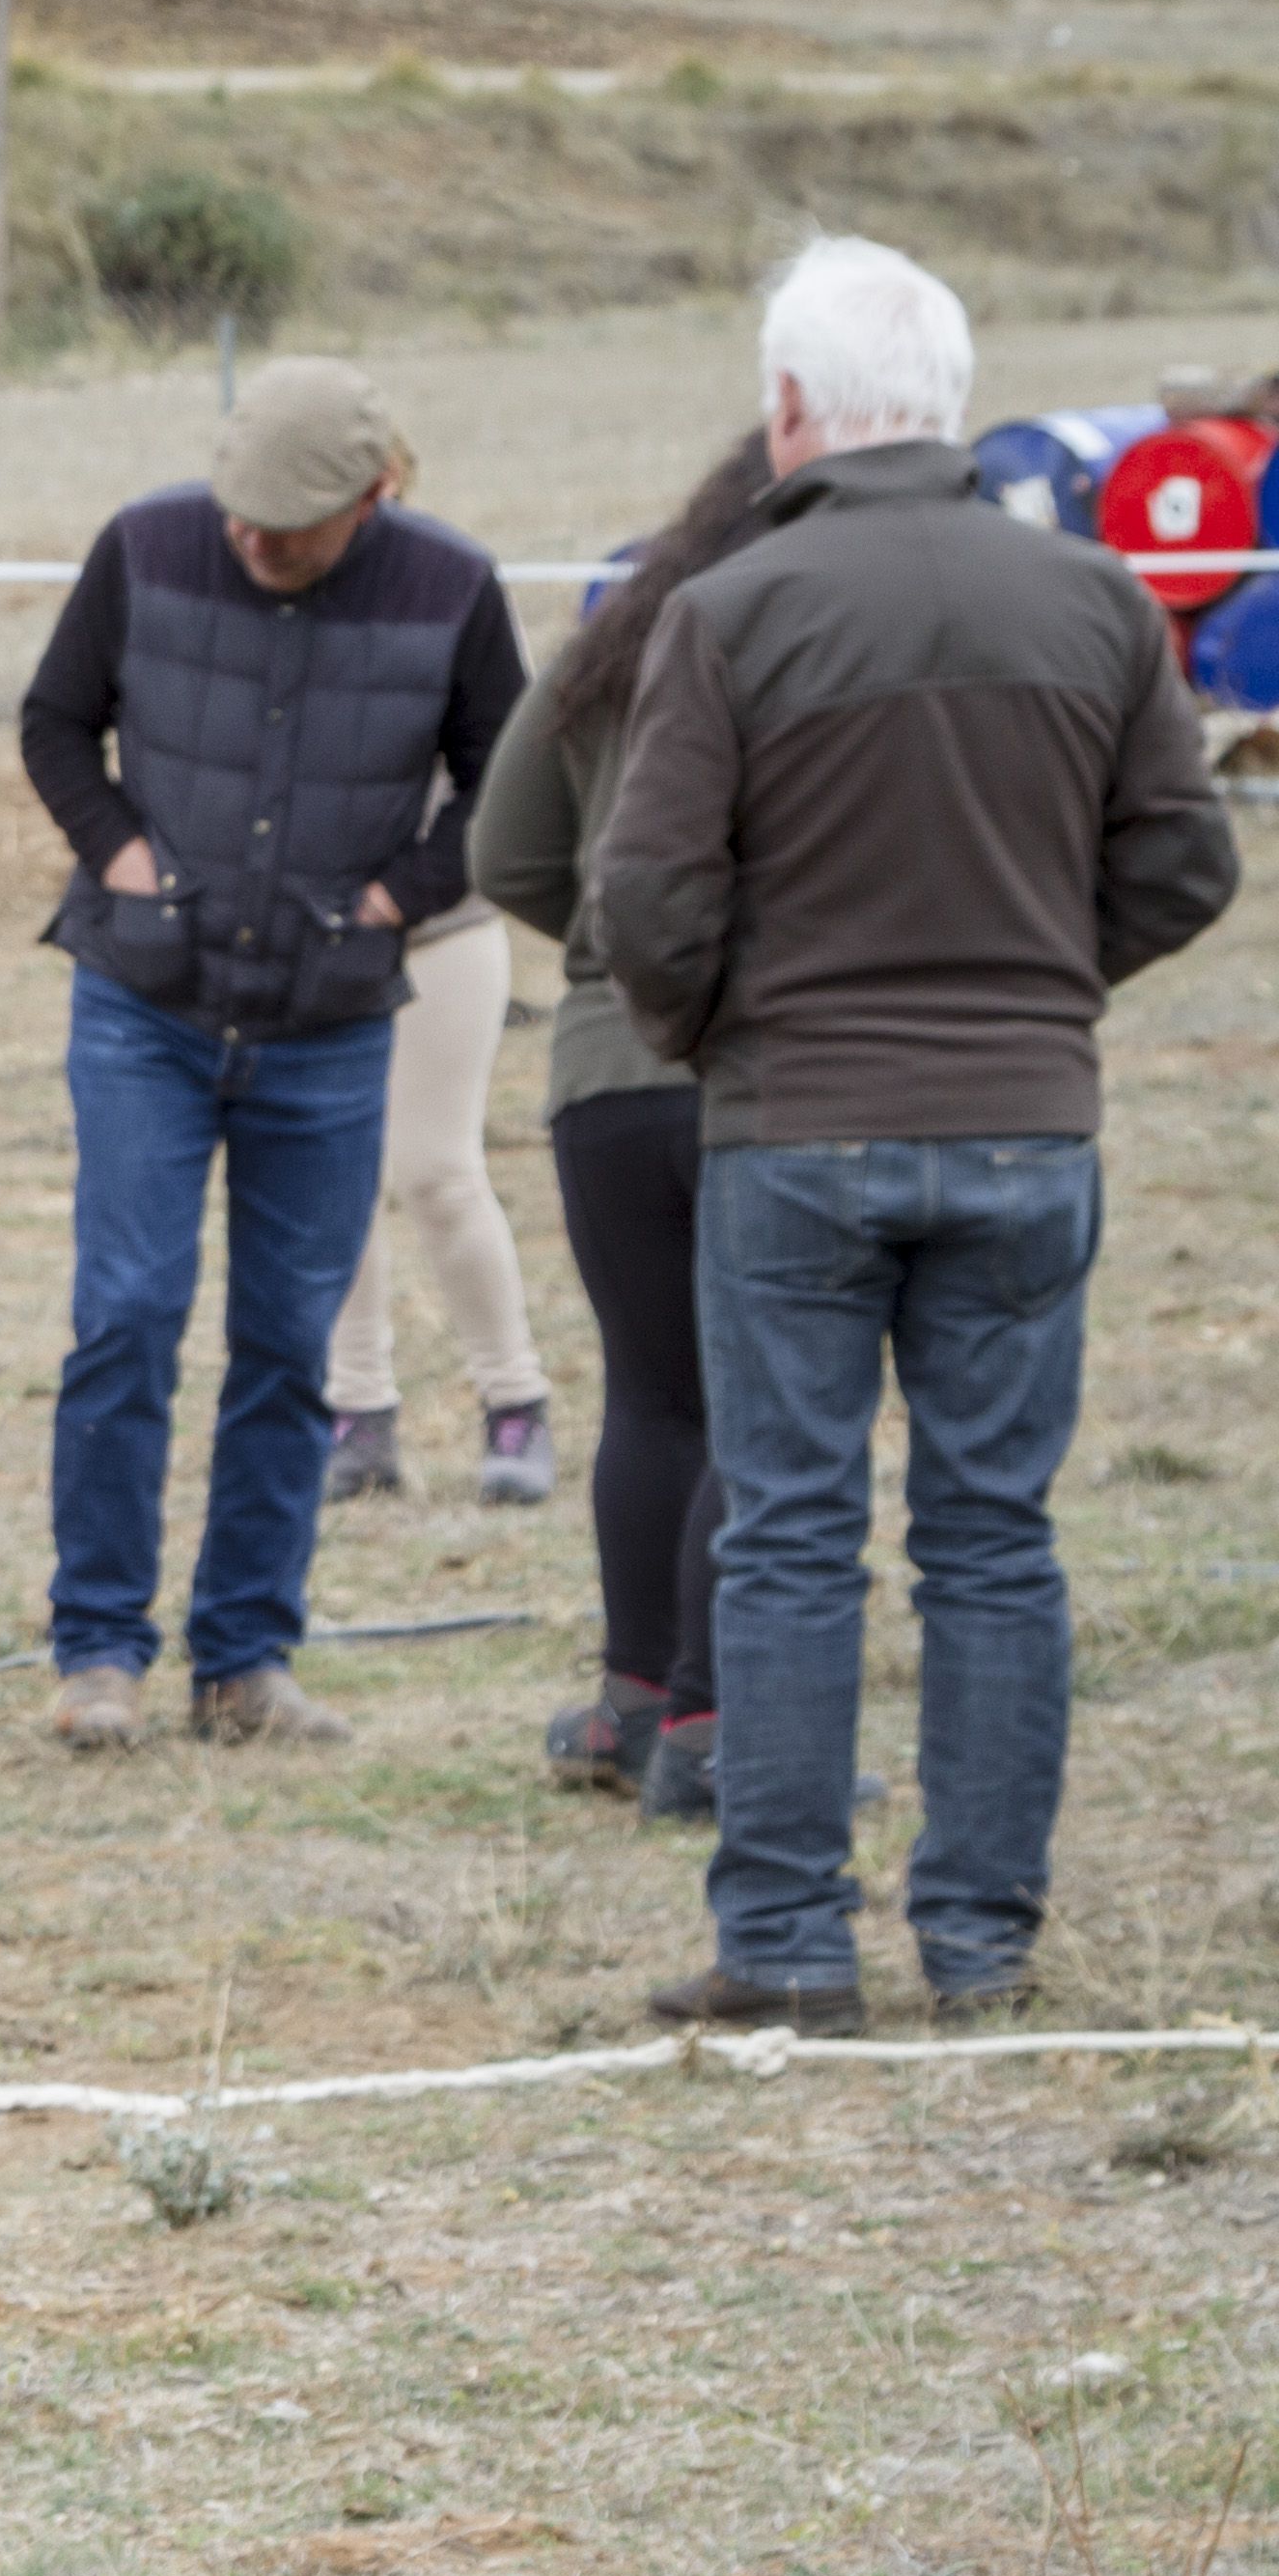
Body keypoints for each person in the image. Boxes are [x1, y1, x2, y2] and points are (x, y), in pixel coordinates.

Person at [598, 236, 1239, 2031]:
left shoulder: (726, 614)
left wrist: (716, 1031)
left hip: (793, 1127)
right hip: (1027, 1127)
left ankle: (786, 1942)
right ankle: (975, 1941)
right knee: (990, 1536)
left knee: (788, 1535)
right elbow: (1185, 864)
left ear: (789, 411)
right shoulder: (1100, 602)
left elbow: (642, 894)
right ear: (945, 402)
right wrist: (1044, 983)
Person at [17, 357, 530, 1751]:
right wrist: (124, 862)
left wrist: (389, 902)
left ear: (378, 497)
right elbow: (56, 723)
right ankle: (100, 1653)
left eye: (291, 529)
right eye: (241, 516)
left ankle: (245, 1658)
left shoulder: (452, 590)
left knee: (288, 1345)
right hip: (146, 1006)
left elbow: (513, 783)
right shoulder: (143, 547)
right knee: (126, 1314)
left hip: (326, 1022)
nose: (255, 544)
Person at [469, 431, 774, 1811]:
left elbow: (506, 851)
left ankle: (631, 1700)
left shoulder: (618, 637)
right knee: (755, 1408)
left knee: (650, 1399)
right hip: (752, 1071)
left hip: (600, 1075)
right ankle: (713, 1725)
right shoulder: (791, 635)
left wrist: (603, 957)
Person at [315, 685, 556, 1508]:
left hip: (442, 928)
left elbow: (498, 765)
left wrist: (400, 893)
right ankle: (358, 1411)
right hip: (308, 932)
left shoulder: (443, 599)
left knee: (438, 1174)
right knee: (334, 1177)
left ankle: (515, 1401)